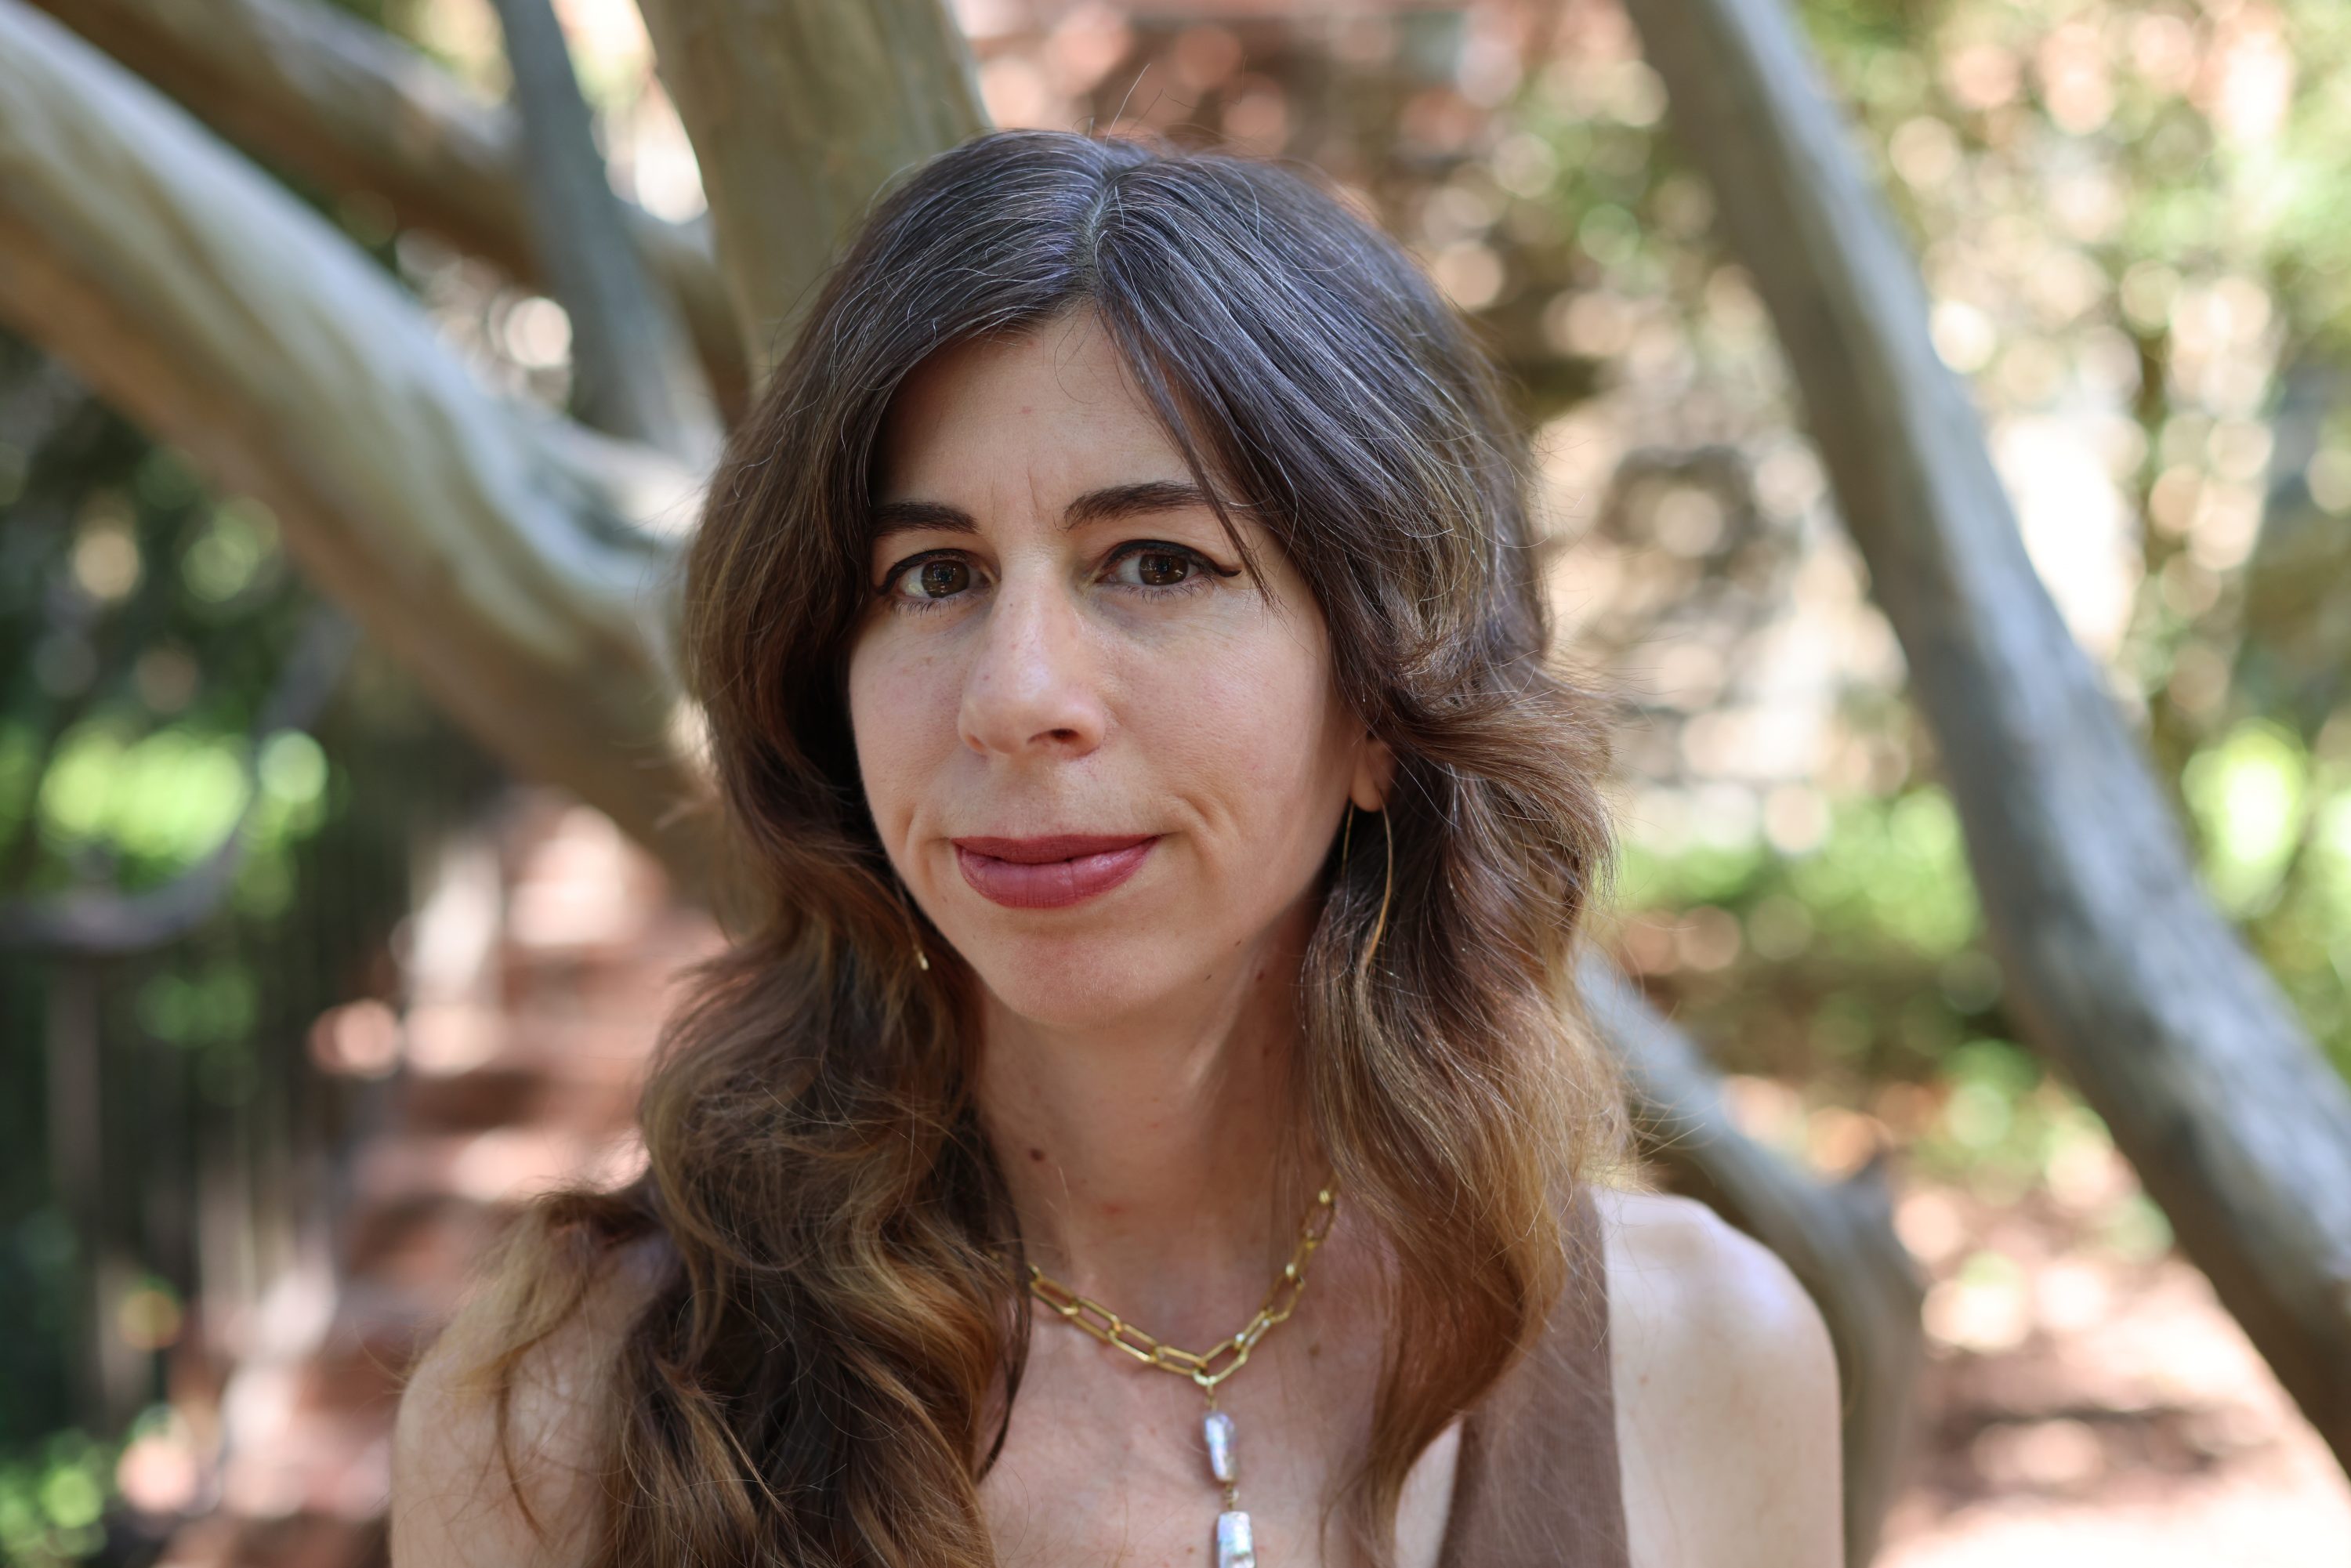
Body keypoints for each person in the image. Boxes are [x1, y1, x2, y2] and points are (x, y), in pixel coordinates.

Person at [389, 129, 1842, 1568]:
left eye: (1158, 562)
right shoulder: (569, 1413)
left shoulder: (1704, 1363)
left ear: (1391, 705)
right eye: (934, 576)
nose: (1017, 695)